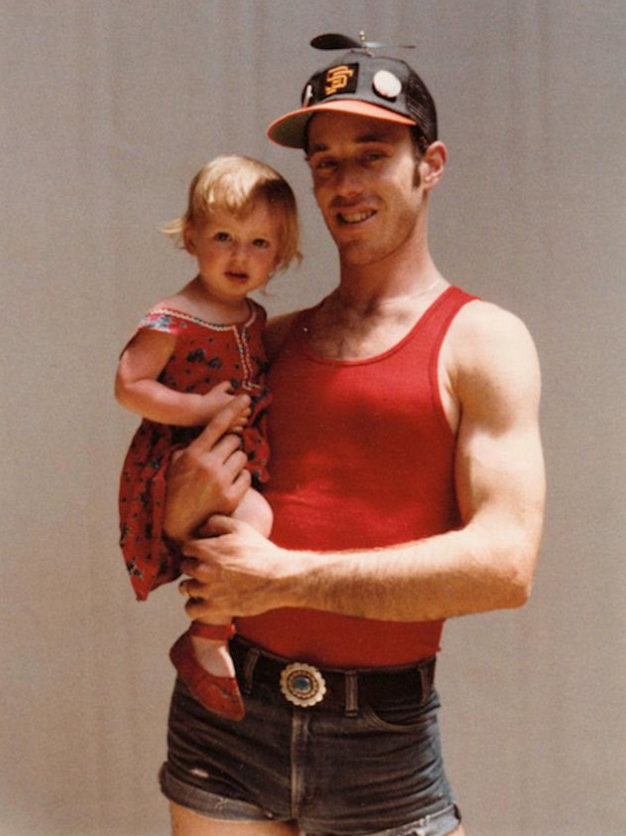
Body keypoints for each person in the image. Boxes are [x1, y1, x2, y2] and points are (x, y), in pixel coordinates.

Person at [155, 41, 545, 836]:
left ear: (429, 164)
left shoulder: (481, 341)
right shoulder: (267, 341)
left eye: (372, 154)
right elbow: (173, 522)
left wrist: (284, 578)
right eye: (325, 162)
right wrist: (175, 513)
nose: (345, 182)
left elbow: (504, 566)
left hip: (382, 743)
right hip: (225, 717)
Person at [115, 155, 300, 720]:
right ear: (191, 238)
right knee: (253, 523)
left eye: (260, 243)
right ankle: (205, 633)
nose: (240, 256)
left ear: (282, 254)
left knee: (249, 528)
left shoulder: (252, 316)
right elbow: (129, 383)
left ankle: (218, 627)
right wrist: (196, 408)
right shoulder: (173, 316)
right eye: (223, 236)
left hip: (232, 451)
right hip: (179, 454)